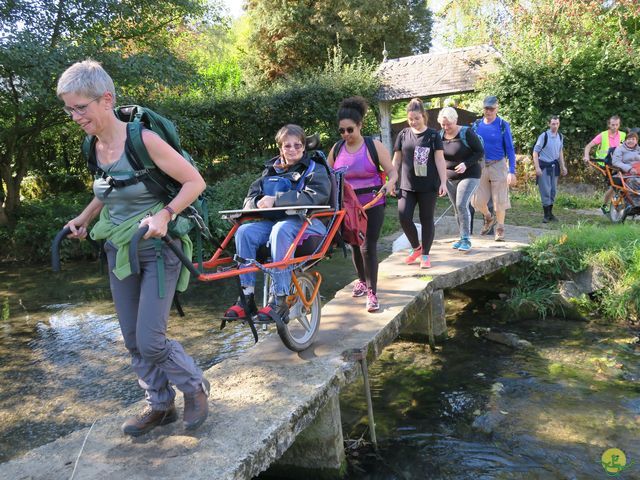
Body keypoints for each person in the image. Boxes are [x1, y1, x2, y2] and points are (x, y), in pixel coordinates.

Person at [57, 60, 209, 436]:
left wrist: (166, 215)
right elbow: (108, 190)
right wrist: (84, 218)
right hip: (118, 249)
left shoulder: (144, 140)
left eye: (81, 107)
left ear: (105, 99)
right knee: (131, 339)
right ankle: (160, 405)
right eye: (69, 108)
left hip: (158, 248)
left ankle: (194, 387)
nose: (74, 116)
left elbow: (195, 182)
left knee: (151, 340)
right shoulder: (93, 145)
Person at [224, 124, 331, 323]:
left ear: (304, 147)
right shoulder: (270, 171)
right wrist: (257, 202)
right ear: (280, 148)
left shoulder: (315, 169)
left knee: (281, 230)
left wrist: (277, 199)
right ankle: (246, 297)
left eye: (297, 146)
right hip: (275, 223)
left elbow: (316, 197)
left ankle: (279, 298)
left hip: (308, 223)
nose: (292, 150)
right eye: (287, 146)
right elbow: (250, 199)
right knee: (244, 232)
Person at [327, 96, 397, 312]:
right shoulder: (337, 149)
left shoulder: (372, 146)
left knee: (368, 246)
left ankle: (372, 293)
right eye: (342, 131)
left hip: (373, 201)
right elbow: (326, 176)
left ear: (359, 126)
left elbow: (393, 171)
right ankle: (361, 280)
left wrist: (390, 184)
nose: (346, 135)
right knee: (355, 245)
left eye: (350, 130)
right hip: (348, 206)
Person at [392, 98, 447, 269]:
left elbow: (439, 159)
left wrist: (443, 182)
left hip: (428, 186)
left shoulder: (433, 135)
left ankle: (425, 255)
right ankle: (416, 247)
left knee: (426, 219)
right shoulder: (403, 135)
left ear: (423, 116)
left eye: (417, 118)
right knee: (404, 217)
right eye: (410, 119)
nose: (414, 122)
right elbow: (397, 160)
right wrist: (392, 181)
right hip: (407, 185)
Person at [437, 107, 484, 252]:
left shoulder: (466, 133)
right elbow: (438, 158)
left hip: (470, 174)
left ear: (455, 120)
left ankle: (466, 239)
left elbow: (479, 151)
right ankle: (461, 236)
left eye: (448, 124)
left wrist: (466, 164)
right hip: (450, 178)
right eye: (443, 124)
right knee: (457, 208)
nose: (446, 127)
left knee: (461, 204)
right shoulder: (440, 135)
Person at [472, 95, 517, 242]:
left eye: (491, 108)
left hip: (498, 164)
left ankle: (500, 228)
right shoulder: (477, 125)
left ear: (497, 108)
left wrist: (512, 171)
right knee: (477, 201)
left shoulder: (503, 125)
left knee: (499, 201)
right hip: (481, 165)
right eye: (486, 108)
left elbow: (510, 149)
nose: (488, 111)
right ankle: (488, 218)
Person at [583, 115, 626, 214]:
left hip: (619, 164)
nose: (614, 127)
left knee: (624, 183)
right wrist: (586, 156)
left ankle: (621, 203)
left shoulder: (623, 135)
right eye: (612, 125)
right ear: (609, 124)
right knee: (614, 185)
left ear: (619, 125)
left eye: (616, 125)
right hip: (606, 164)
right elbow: (588, 146)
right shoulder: (603, 135)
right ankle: (605, 205)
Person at [532, 115, 568, 223]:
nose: (555, 126)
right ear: (549, 124)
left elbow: (560, 152)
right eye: (553, 123)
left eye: (557, 123)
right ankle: (546, 215)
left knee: (553, 191)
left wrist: (563, 166)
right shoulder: (544, 136)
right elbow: (535, 152)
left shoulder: (560, 136)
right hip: (544, 166)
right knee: (545, 191)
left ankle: (550, 213)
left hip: (554, 166)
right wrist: (537, 167)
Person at [611, 131, 640, 207]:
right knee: (634, 181)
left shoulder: (639, 150)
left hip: (638, 173)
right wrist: (629, 169)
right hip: (625, 174)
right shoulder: (620, 149)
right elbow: (616, 162)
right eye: (629, 139)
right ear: (625, 140)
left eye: (633, 139)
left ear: (636, 141)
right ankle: (634, 204)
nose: (631, 141)